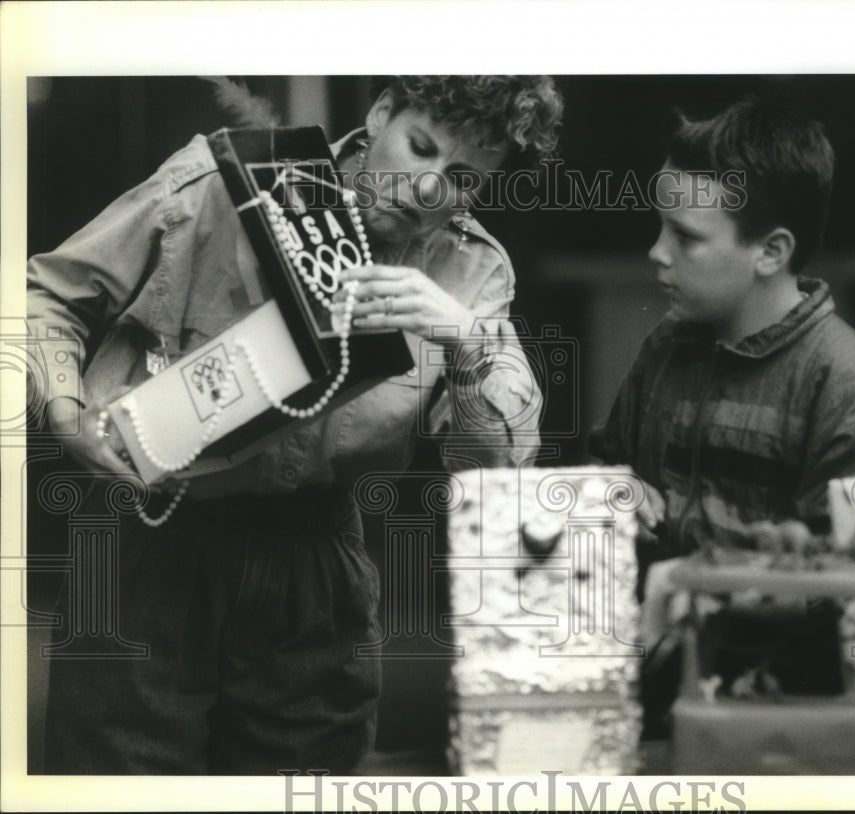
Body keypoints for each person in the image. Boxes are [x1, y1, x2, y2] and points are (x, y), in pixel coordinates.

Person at [28, 75, 563, 774]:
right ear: (380, 114)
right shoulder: (224, 178)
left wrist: (467, 345)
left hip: (316, 562)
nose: (429, 189)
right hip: (154, 534)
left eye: (461, 179)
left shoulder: (472, 270)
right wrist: (62, 410)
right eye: (420, 147)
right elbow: (49, 294)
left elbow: (494, 472)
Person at [589, 96, 855, 737]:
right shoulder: (665, 349)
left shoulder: (847, 386)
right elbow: (606, 475)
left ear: (771, 251)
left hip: (790, 723)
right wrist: (612, 494)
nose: (656, 252)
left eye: (686, 236)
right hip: (661, 703)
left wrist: (703, 585)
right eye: (660, 226)